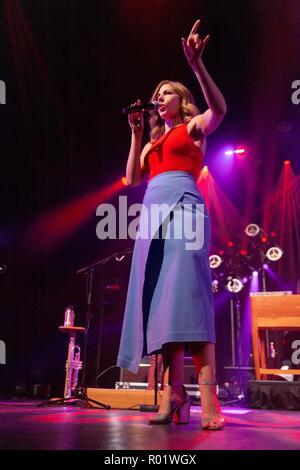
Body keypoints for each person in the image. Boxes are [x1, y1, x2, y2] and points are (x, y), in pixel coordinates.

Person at [117, 19, 227, 430]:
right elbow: (131, 180)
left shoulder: (191, 130)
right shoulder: (151, 142)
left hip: (186, 212)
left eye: (166, 94)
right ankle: (172, 395)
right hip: (153, 218)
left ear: (181, 101)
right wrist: (135, 135)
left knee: (191, 300)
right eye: (156, 96)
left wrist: (197, 66)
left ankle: (209, 399)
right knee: (162, 306)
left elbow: (219, 110)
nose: (158, 99)